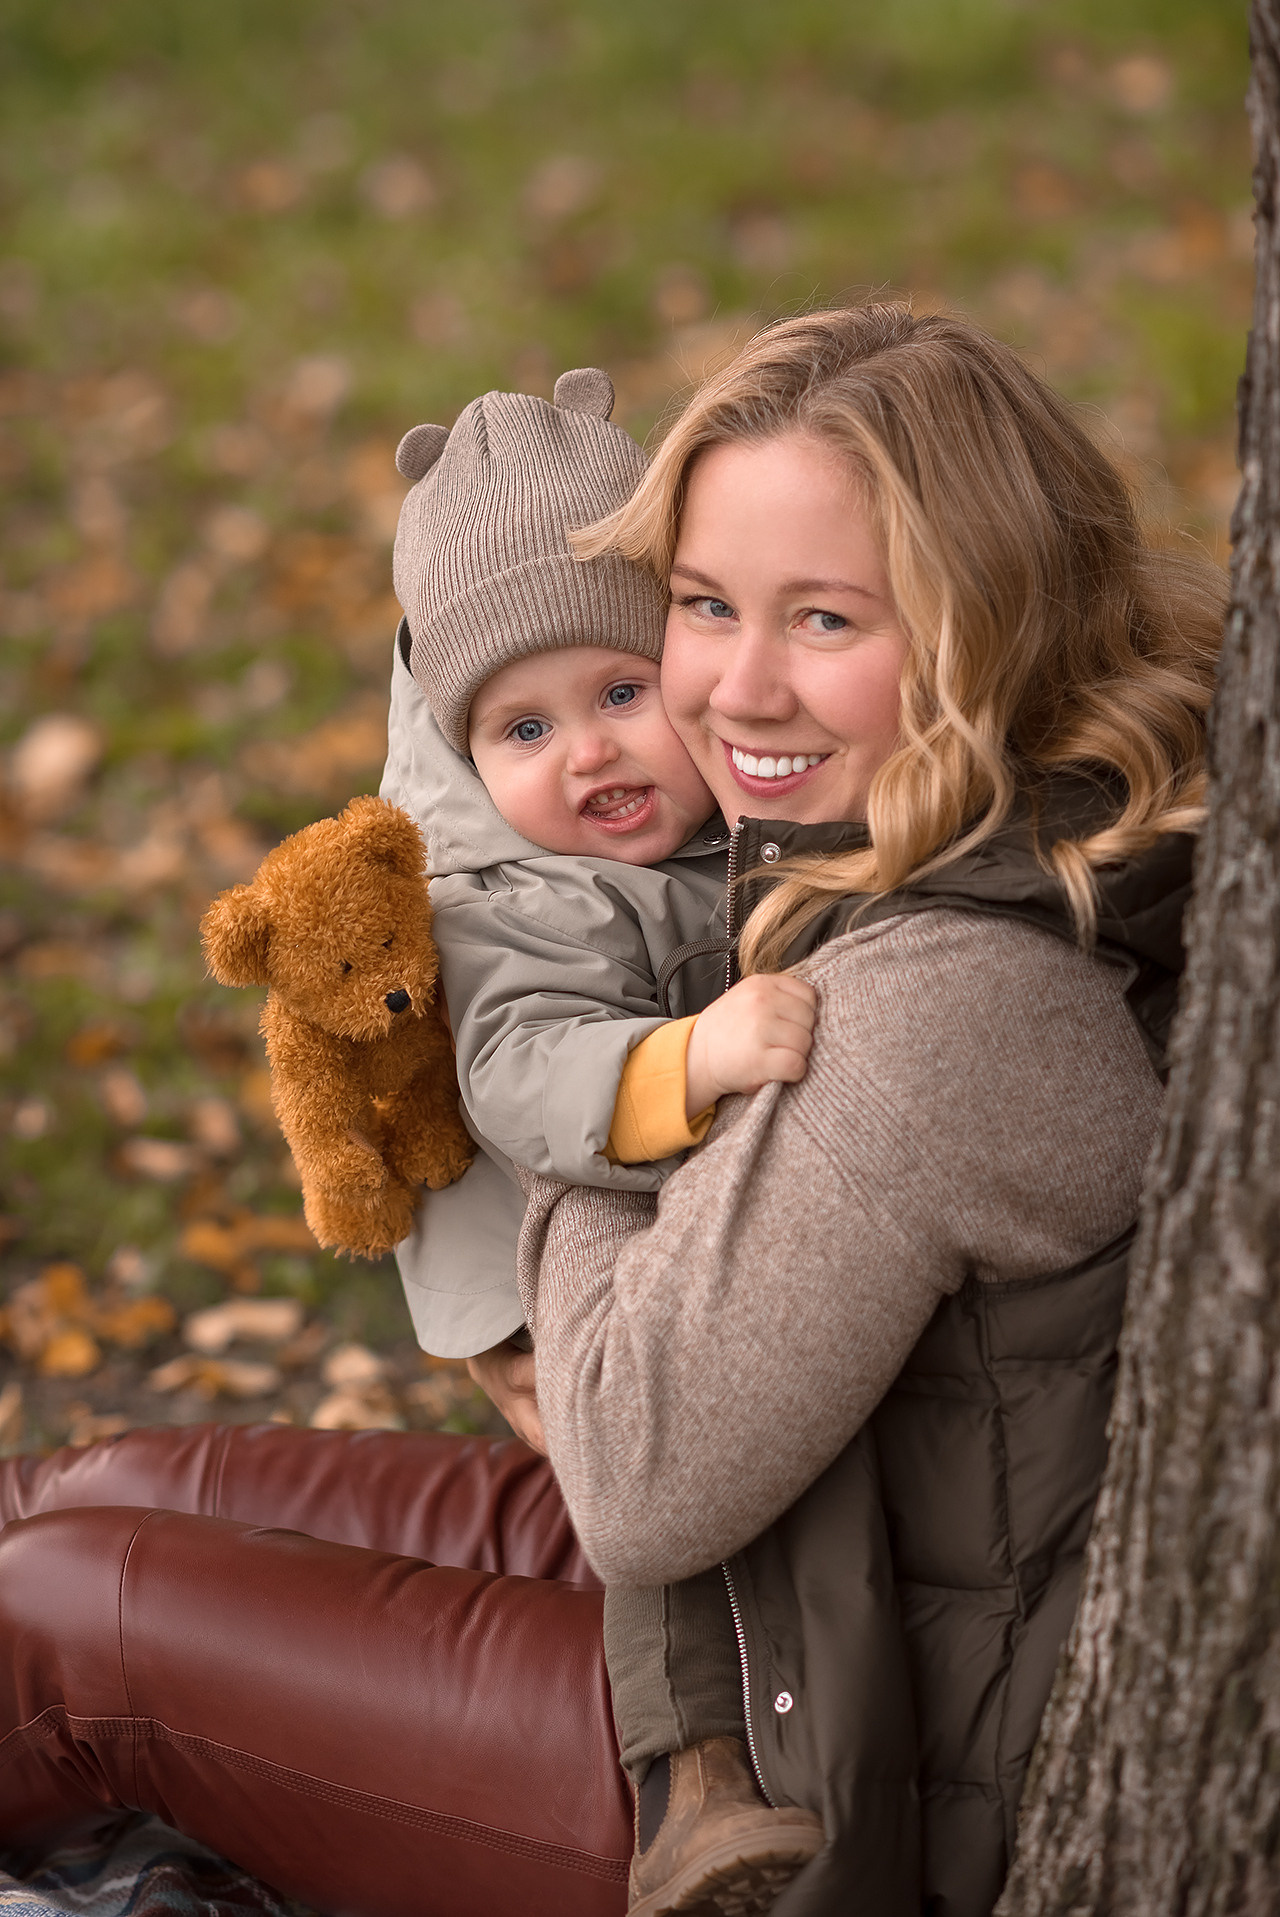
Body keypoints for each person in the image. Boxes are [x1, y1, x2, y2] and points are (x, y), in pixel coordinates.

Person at [0, 302, 1226, 1917]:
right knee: (79, 1490)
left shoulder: (952, 997)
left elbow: (632, 1468)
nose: (737, 686)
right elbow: (487, 654)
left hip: (826, 1774)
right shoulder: (908, 817)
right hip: (808, 1570)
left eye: (828, 620)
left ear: (983, 623)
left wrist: (560, 1066)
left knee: (61, 1622)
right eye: (705, 605)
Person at [381, 369, 827, 1911]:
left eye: (621, 691)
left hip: (736, 1273)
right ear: (466, 749)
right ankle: (695, 1782)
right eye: (524, 724)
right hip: (613, 1290)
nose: (588, 754)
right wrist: (690, 1057)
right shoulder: (516, 900)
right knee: (662, 1525)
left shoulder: (732, 822)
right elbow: (518, 1071)